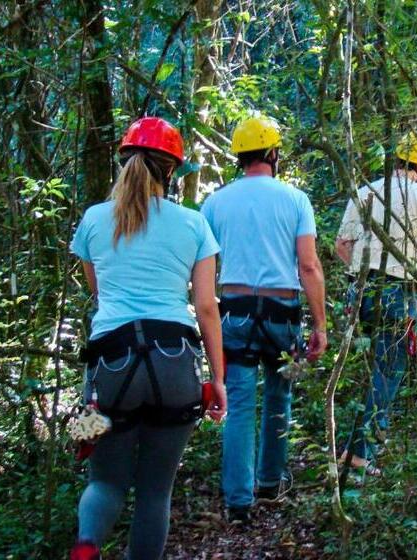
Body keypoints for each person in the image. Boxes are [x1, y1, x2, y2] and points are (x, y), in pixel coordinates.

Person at [69, 117, 226, 560]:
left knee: (105, 482)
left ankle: (85, 546)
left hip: (111, 364)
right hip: (174, 361)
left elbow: (99, 293)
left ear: (124, 163)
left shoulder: (95, 220)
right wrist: (217, 379)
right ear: (172, 172)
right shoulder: (193, 225)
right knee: (156, 492)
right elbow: (207, 307)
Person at [201, 116, 327, 522]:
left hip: (233, 311)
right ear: (274, 154)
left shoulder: (216, 202)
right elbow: (307, 265)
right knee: (279, 395)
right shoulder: (295, 200)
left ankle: (239, 502)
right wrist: (320, 324)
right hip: (281, 313)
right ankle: (270, 483)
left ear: (240, 155)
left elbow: (204, 267)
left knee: (238, 404)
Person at [335, 131, 417, 474]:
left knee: (372, 368)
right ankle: (359, 450)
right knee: (388, 370)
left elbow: (343, 245)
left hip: (361, 290)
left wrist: (361, 271)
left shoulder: (365, 191)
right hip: (398, 291)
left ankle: (365, 438)